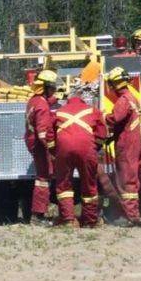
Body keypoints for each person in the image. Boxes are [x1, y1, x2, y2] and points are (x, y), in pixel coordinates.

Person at [51, 83, 107, 228]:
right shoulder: (93, 111)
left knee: (64, 185)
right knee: (89, 185)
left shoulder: (58, 112)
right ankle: (90, 221)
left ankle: (68, 220)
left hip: (63, 151)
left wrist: (54, 152)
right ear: (82, 99)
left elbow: (50, 136)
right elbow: (102, 134)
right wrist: (95, 148)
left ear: (67, 99)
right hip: (87, 150)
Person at [104, 67, 141, 224]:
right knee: (132, 179)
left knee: (126, 180)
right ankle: (132, 214)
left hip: (127, 145)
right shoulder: (132, 97)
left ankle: (130, 217)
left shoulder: (123, 100)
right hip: (134, 142)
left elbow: (113, 119)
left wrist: (101, 118)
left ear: (114, 84)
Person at [24, 69, 58, 221]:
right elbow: (44, 134)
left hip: (33, 142)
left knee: (43, 176)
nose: (53, 91)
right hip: (41, 145)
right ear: (46, 88)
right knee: (43, 178)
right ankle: (38, 215)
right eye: (52, 88)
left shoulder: (34, 100)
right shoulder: (42, 106)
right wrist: (53, 150)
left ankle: (39, 213)